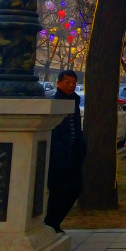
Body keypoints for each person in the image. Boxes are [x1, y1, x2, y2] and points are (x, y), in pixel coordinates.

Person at [44, 70, 86, 234]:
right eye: (67, 81)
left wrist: (81, 145)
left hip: (74, 152)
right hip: (58, 154)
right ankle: (52, 224)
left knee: (76, 187)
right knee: (57, 191)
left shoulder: (74, 100)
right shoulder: (54, 102)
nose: (70, 85)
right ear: (58, 83)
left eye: (73, 82)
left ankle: (53, 222)